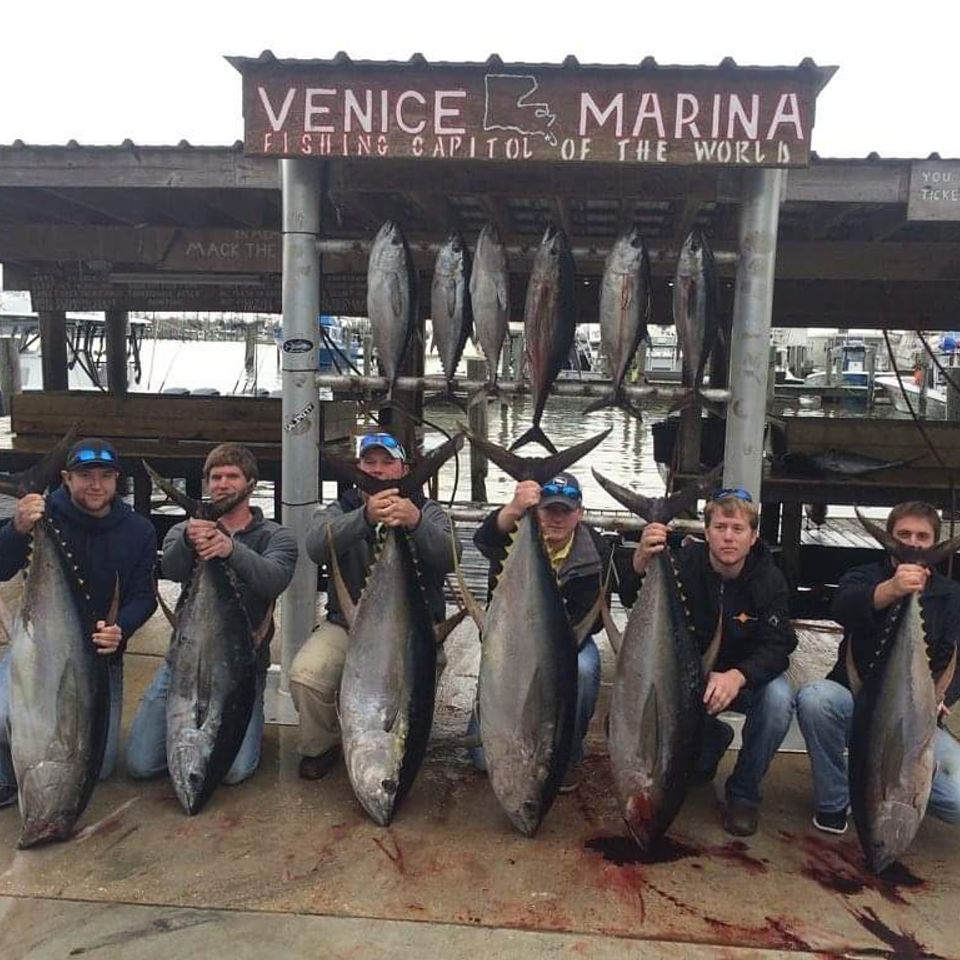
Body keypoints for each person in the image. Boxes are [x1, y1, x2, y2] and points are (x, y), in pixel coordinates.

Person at [289, 431, 461, 780]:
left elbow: (450, 556)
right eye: (370, 463)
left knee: (407, 703)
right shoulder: (343, 509)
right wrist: (365, 517)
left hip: (414, 634)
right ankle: (321, 747)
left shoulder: (428, 511)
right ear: (359, 467)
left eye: (387, 462)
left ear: (404, 468)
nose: (378, 470)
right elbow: (315, 547)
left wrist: (415, 523)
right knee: (306, 676)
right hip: (347, 625)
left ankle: (397, 748)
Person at [126, 443, 297, 785]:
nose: (222, 483)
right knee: (140, 765)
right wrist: (189, 542)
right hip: (183, 664)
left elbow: (273, 580)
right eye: (215, 476)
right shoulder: (185, 530)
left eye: (232, 476)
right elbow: (172, 571)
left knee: (234, 772)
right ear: (206, 483)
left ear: (251, 484)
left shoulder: (276, 535)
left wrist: (231, 548)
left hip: (242, 668)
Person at [631, 487, 797, 836]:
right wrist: (641, 562)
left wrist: (738, 675)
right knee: (694, 774)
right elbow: (634, 600)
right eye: (720, 527)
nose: (728, 537)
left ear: (753, 537)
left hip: (741, 681)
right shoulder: (681, 564)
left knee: (779, 698)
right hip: (687, 682)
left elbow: (779, 644)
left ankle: (744, 794)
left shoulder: (770, 580)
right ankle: (710, 740)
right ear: (706, 533)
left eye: (737, 529)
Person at [0, 438, 157, 807]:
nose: (96, 485)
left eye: (105, 476)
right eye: (85, 476)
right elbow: (2, 566)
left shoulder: (139, 531)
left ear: (118, 481)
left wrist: (122, 630)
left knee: (95, 765)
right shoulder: (42, 516)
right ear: (67, 478)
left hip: (98, 663)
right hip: (38, 652)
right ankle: (8, 773)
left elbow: (144, 597)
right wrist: (16, 529)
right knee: (7, 718)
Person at [796, 501, 960, 835]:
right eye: (903, 535)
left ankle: (890, 791)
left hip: (917, 715)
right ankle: (834, 804)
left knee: (957, 801)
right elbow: (842, 607)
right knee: (815, 700)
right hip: (854, 698)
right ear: (888, 537)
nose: (913, 544)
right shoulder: (864, 575)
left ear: (934, 543)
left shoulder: (951, 594)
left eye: (922, 537)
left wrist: (946, 697)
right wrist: (892, 590)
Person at [470, 471, 627, 793]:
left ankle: (567, 752)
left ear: (579, 513)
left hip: (569, 641)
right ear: (536, 511)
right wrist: (513, 508)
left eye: (565, 512)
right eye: (548, 510)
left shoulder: (594, 550)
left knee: (583, 669)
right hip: (512, 643)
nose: (556, 519)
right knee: (483, 760)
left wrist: (545, 649)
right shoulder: (515, 534)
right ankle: (494, 715)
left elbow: (592, 621)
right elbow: (483, 540)